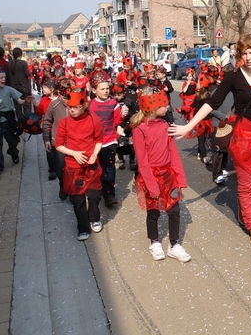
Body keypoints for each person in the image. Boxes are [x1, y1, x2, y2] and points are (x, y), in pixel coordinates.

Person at [169, 33, 251, 248]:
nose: (248, 57)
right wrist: (188, 126)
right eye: (244, 53)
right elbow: (212, 103)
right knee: (244, 184)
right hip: (243, 138)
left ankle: (247, 205)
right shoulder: (233, 77)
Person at [131, 87, 191, 263]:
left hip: (168, 176)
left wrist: (180, 178)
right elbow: (142, 162)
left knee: (174, 210)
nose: (167, 106)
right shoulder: (139, 130)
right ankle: (154, 241)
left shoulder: (165, 125)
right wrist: (151, 185)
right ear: (153, 107)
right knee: (154, 212)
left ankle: (174, 245)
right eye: (164, 104)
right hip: (151, 177)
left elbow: (173, 154)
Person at [55, 88, 103, 241]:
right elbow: (58, 145)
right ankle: (82, 227)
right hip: (73, 166)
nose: (72, 110)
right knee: (78, 198)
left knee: (94, 195)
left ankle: (94, 218)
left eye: (75, 107)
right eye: (69, 107)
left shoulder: (93, 119)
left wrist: (95, 154)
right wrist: (74, 153)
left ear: (83, 106)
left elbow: (99, 140)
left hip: (91, 164)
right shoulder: (64, 122)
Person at [89, 73, 125, 207]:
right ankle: (96, 191)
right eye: (102, 89)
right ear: (94, 90)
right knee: (96, 169)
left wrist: (121, 121)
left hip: (110, 140)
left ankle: (109, 195)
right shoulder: (90, 105)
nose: (106, 91)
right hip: (94, 143)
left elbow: (116, 120)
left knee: (109, 168)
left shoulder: (113, 103)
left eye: (107, 89)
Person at [0, 65, 34, 176]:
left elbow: (19, 101)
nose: (3, 80)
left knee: (12, 140)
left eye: (4, 77)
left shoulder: (8, 89)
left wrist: (26, 101)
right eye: (0, 78)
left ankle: (14, 152)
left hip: (8, 120)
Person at [34, 78, 59, 180]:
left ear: (52, 88)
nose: (43, 89)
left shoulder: (61, 99)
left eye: (45, 87)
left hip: (59, 129)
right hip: (48, 129)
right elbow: (39, 112)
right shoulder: (44, 100)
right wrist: (36, 105)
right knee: (50, 151)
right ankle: (52, 169)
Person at [7, 47, 32, 121]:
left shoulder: (9, 64)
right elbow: (27, 74)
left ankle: (20, 122)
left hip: (14, 88)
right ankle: (27, 122)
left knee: (17, 107)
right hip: (24, 88)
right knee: (27, 106)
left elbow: (7, 76)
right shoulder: (23, 63)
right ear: (21, 54)